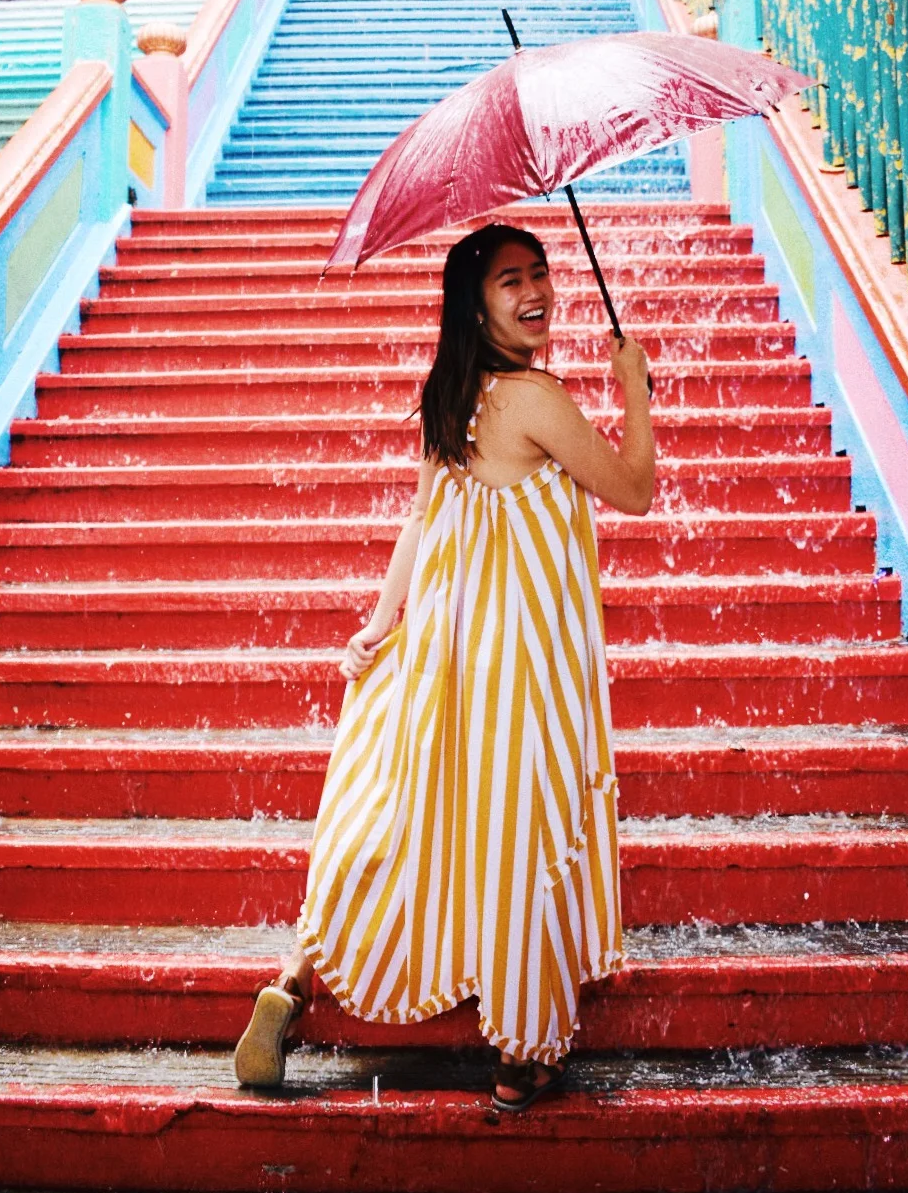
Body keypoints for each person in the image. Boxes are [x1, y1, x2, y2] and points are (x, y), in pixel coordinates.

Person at [234, 224, 655, 1112]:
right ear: (475, 304)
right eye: (510, 281)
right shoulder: (535, 398)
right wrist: (634, 390)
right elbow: (635, 489)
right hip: (522, 661)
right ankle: (523, 1053)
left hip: (447, 653)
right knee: (521, 829)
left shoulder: (453, 394)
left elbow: (422, 521)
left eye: (540, 273)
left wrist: (378, 625)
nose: (535, 292)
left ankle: (296, 978)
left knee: (410, 818)